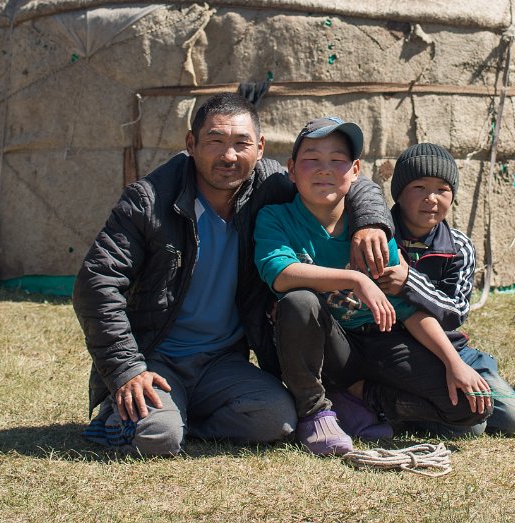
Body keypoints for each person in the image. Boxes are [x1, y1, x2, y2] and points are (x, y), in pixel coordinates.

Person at [72, 93, 394, 456]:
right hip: (156, 356)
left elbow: (343, 179)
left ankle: (177, 417)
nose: (229, 156)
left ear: (260, 148)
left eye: (242, 143)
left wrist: (370, 222)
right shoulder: (150, 200)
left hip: (222, 361)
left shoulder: (268, 186)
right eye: (215, 141)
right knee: (158, 438)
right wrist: (127, 369)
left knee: (276, 421)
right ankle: (131, 418)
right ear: (191, 143)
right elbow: (96, 283)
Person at [253, 118, 492, 456]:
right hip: (330, 348)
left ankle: (363, 399)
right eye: (312, 159)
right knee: (299, 302)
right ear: (291, 169)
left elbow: (408, 310)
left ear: (355, 171)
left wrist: (454, 362)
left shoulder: (374, 232)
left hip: (382, 341)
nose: (324, 169)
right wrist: (356, 278)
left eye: (337, 160)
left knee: (472, 407)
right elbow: (279, 272)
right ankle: (315, 412)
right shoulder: (276, 218)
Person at [369, 142, 515, 436]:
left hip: (451, 346)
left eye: (442, 189)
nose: (431, 198)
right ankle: (388, 403)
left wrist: (409, 282)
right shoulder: (378, 237)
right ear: (399, 193)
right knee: (470, 428)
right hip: (396, 351)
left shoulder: (458, 247)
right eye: (419, 187)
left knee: (513, 418)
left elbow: (456, 312)